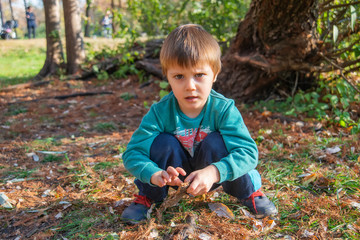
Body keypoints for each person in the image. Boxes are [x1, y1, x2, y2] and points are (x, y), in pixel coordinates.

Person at [121, 24, 278, 224]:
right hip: (177, 176)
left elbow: (248, 152)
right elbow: (132, 153)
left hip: (216, 172)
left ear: (214, 74)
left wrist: (214, 171)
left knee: (217, 141)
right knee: (161, 142)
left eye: (199, 75)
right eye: (179, 76)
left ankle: (249, 193)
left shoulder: (223, 109)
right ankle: (149, 197)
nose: (190, 86)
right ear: (167, 76)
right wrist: (154, 174)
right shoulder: (161, 112)